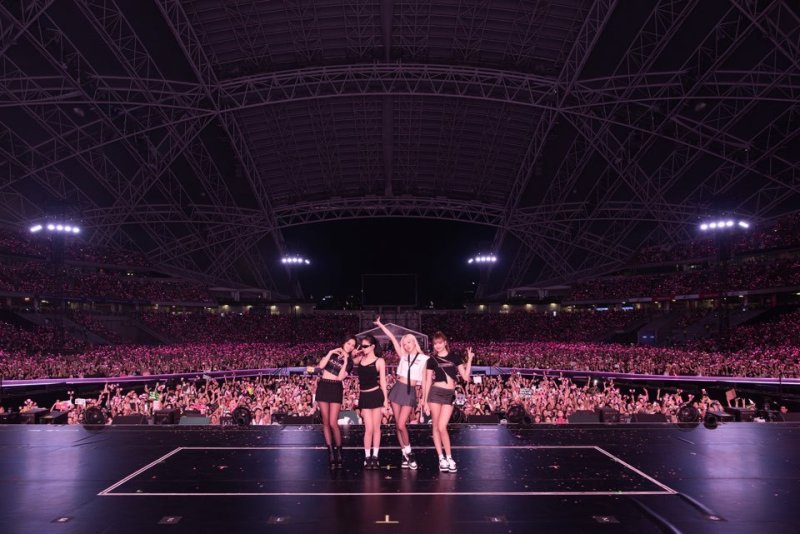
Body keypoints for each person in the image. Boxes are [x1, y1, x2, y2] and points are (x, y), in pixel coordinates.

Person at [374, 316, 428, 469]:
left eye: (409, 342)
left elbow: (425, 381)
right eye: (404, 343)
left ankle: (410, 452)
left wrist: (424, 399)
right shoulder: (403, 356)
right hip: (397, 389)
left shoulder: (424, 359)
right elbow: (392, 337)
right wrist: (380, 325)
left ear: (414, 342)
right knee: (398, 425)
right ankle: (405, 455)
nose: (406, 345)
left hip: (410, 391)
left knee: (401, 424)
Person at [422, 331, 474, 472]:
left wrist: (469, 360)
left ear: (445, 342)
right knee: (436, 426)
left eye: (440, 342)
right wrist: (425, 401)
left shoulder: (455, 357)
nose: (437, 345)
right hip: (435, 393)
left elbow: (465, 377)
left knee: (442, 426)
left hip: (449, 395)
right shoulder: (431, 360)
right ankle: (441, 458)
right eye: (435, 343)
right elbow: (427, 381)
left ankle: (449, 457)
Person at [315, 336, 356, 468]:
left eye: (353, 345)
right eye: (348, 343)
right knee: (326, 422)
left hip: (335, 388)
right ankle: (331, 453)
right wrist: (331, 352)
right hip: (323, 386)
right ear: (344, 343)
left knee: (333, 423)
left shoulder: (350, 363)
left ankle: (339, 451)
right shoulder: (332, 353)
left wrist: (345, 361)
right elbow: (321, 366)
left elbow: (339, 378)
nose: (350, 346)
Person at [353, 334, 389, 469]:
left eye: (365, 346)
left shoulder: (380, 361)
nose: (363, 348)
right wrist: (355, 353)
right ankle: (367, 457)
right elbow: (352, 359)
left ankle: (375, 456)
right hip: (364, 396)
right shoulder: (360, 358)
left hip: (376, 395)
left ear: (373, 346)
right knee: (368, 429)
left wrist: (386, 401)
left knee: (376, 428)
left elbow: (383, 382)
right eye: (362, 346)